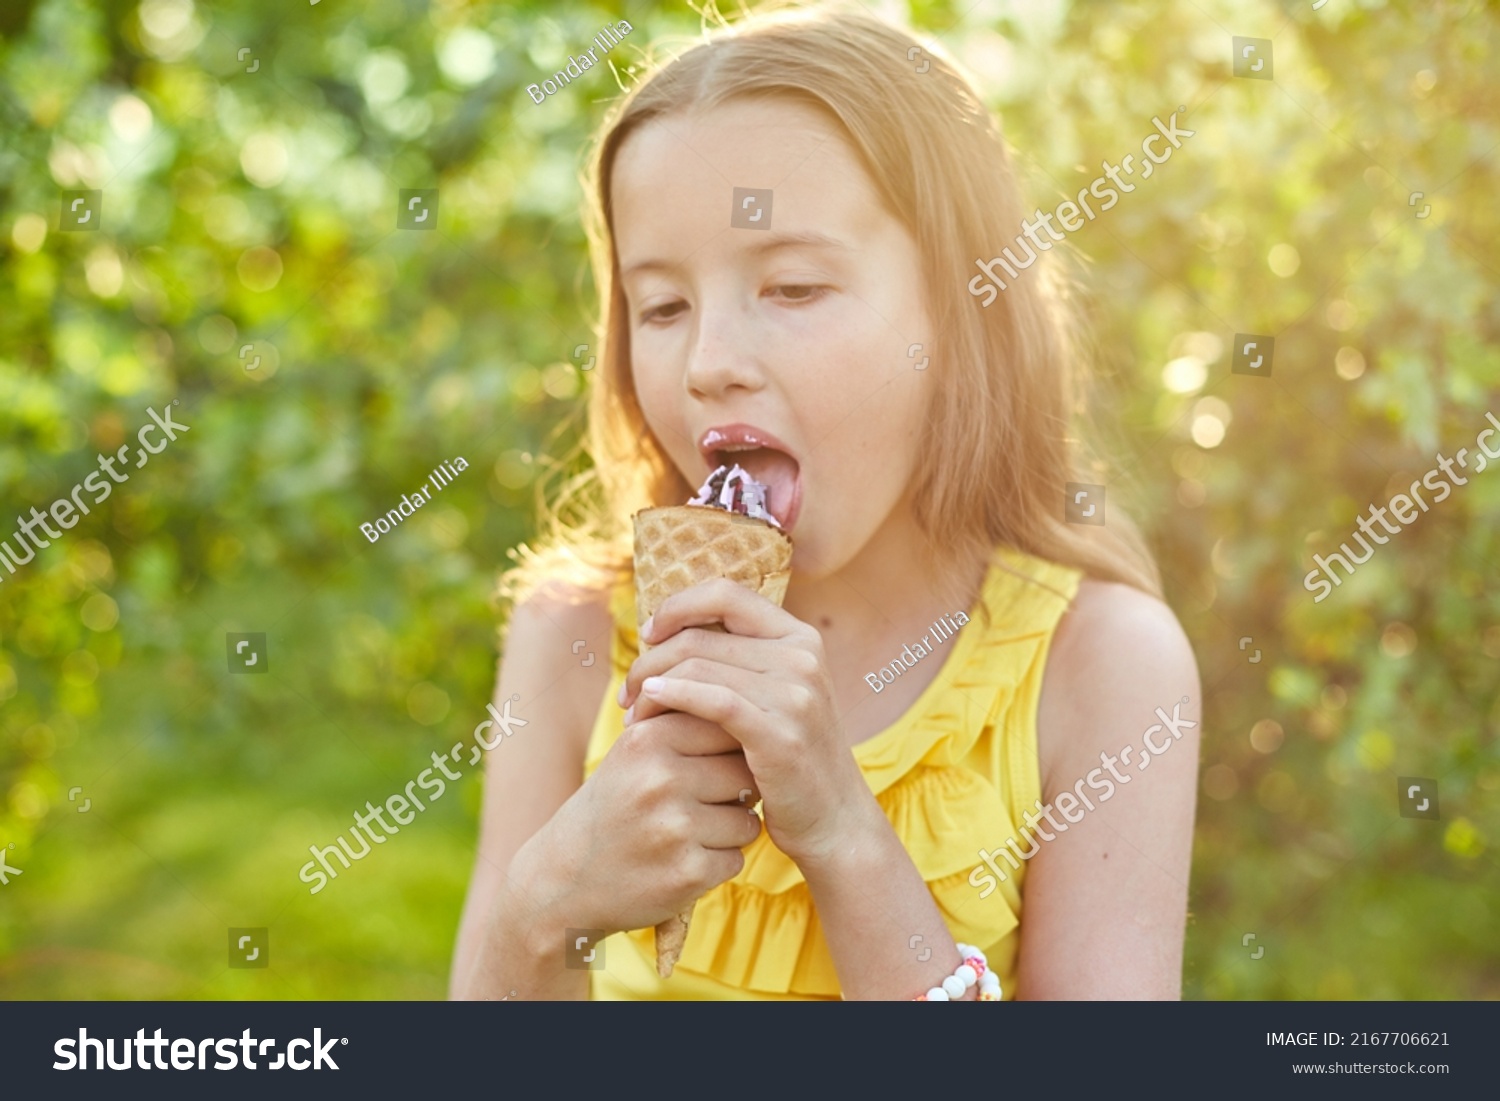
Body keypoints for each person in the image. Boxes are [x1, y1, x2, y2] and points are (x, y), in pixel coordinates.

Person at [450, 2, 1199, 1001]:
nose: (710, 364)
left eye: (794, 287)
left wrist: (845, 835)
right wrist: (542, 904)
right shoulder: (576, 634)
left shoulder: (1102, 668)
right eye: (662, 306)